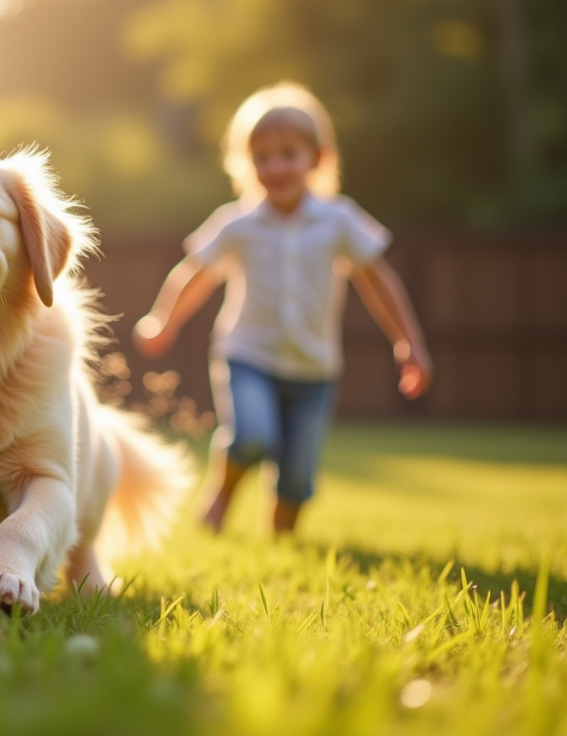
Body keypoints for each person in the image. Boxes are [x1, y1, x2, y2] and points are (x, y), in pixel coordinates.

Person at [133, 81, 432, 534]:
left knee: (296, 480)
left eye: (288, 153)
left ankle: (280, 540)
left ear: (317, 157)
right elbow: (195, 272)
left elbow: (379, 281)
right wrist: (164, 320)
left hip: (314, 369)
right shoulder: (238, 223)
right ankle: (224, 491)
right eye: (263, 156)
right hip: (248, 355)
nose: (275, 166)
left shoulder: (339, 220)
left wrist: (409, 342)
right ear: (245, 164)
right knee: (252, 437)